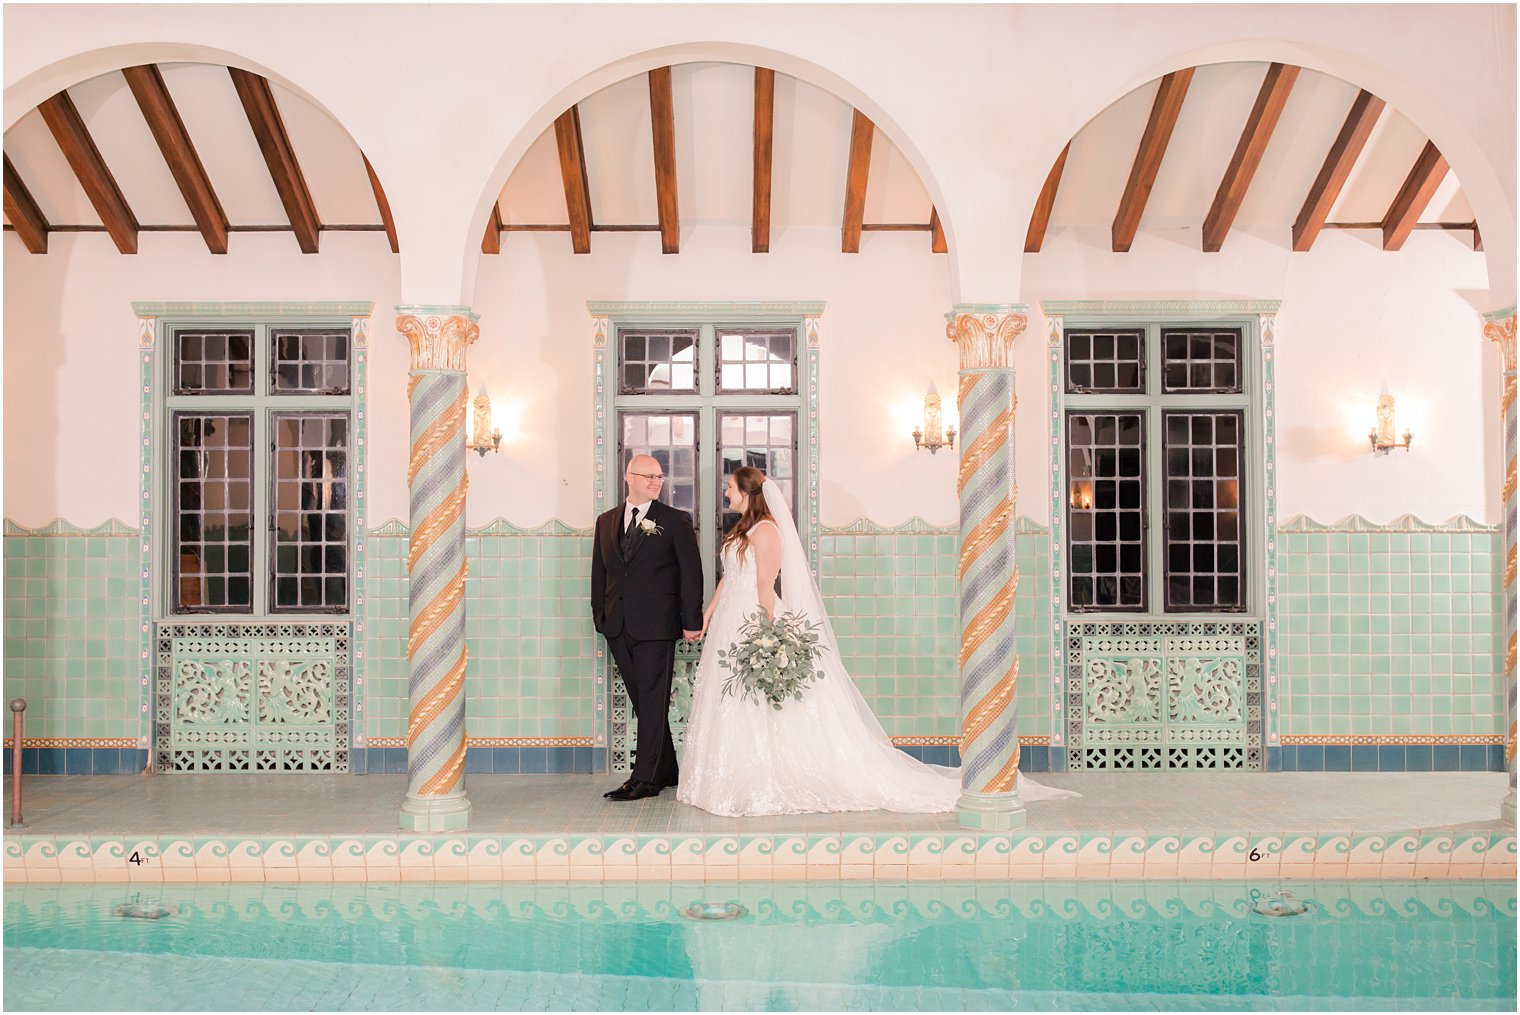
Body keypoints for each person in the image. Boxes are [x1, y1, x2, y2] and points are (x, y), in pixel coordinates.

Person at [678, 466, 1077, 816]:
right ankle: (726, 777)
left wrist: (766, 634)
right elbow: (730, 578)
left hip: (753, 620)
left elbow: (765, 584)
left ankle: (762, 780)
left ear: (746, 493)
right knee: (732, 700)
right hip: (730, 621)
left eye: (730, 487)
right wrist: (707, 615)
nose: (726, 493)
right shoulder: (740, 530)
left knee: (763, 702)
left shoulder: (766, 530)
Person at [591, 455, 703, 801]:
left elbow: (691, 574)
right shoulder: (606, 521)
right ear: (629, 476)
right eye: (650, 476)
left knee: (653, 701)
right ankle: (666, 769)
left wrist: (692, 621)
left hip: (657, 625)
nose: (657, 482)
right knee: (643, 701)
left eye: (660, 477)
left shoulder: (674, 520)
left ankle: (644, 780)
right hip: (617, 624)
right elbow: (601, 572)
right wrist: (600, 615)